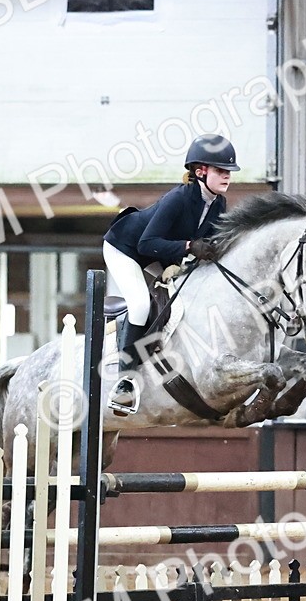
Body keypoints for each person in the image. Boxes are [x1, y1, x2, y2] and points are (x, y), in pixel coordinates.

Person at [101, 133, 239, 414]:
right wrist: (189, 246)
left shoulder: (218, 204)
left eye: (229, 172)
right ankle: (125, 382)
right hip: (125, 247)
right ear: (201, 172)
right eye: (221, 170)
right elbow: (146, 243)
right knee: (140, 303)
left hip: (158, 252)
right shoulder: (177, 199)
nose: (227, 176)